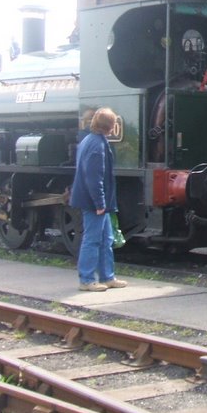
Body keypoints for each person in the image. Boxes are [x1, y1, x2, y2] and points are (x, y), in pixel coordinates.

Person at [68, 107, 128, 291]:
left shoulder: (91, 140)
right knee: (93, 240)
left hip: (97, 201)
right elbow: (94, 177)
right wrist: (100, 203)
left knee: (105, 239)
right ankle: (86, 280)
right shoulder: (97, 145)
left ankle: (107, 276)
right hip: (94, 202)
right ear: (110, 126)